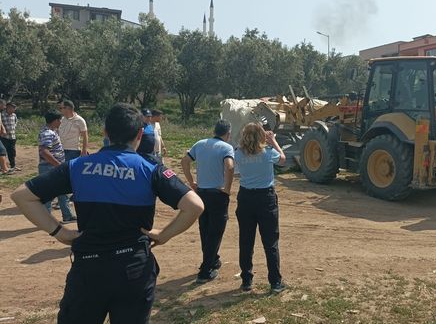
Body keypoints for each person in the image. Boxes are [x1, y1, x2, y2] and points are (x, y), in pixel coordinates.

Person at [10, 103, 204, 324]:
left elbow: (22, 196)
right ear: (140, 134)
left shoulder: (77, 167)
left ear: (105, 132)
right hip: (133, 269)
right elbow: (194, 206)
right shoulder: (150, 169)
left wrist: (60, 232)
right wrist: (164, 235)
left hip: (89, 269)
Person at [234, 123, 286, 293]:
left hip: (246, 197)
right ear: (261, 136)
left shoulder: (238, 153)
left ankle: (247, 280)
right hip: (266, 198)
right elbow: (283, 159)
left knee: (246, 241)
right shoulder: (268, 153)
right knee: (270, 242)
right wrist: (273, 141)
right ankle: (275, 282)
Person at [181, 119, 234, 284]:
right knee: (216, 231)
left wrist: (191, 181)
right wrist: (227, 188)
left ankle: (213, 259)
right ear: (228, 133)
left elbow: (185, 161)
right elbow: (230, 166)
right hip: (217, 194)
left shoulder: (200, 143)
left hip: (201, 193)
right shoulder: (226, 147)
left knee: (205, 228)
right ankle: (205, 270)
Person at [39, 110, 76, 223]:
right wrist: (58, 166)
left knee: (62, 191)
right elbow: (44, 152)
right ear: (55, 121)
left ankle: (67, 216)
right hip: (50, 167)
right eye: (59, 120)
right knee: (49, 194)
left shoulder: (51, 131)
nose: (61, 122)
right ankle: (46, 220)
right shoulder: (47, 133)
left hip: (51, 166)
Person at [0, 101, 19, 171]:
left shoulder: (14, 115)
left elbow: (16, 122)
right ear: (8, 108)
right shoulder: (2, 114)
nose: (14, 109)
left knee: (12, 152)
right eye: (13, 108)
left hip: (12, 137)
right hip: (4, 137)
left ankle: (13, 166)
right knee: (2, 152)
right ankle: (2, 167)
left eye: (14, 108)